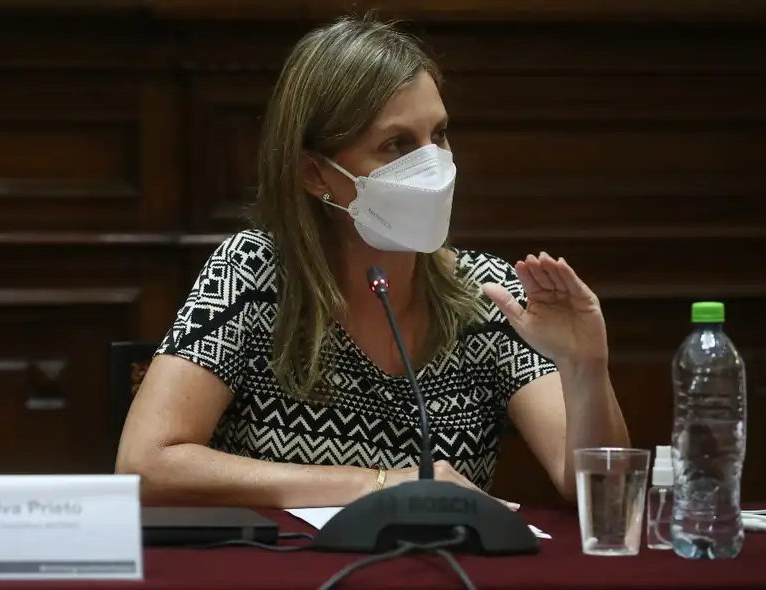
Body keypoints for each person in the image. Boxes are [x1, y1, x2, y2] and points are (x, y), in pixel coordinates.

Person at [116, 16, 629, 509]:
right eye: (396, 145)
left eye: (440, 135)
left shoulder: (486, 292)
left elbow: (595, 489)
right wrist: (376, 485)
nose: (434, 165)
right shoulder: (254, 270)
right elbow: (145, 466)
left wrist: (584, 367)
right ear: (315, 174)